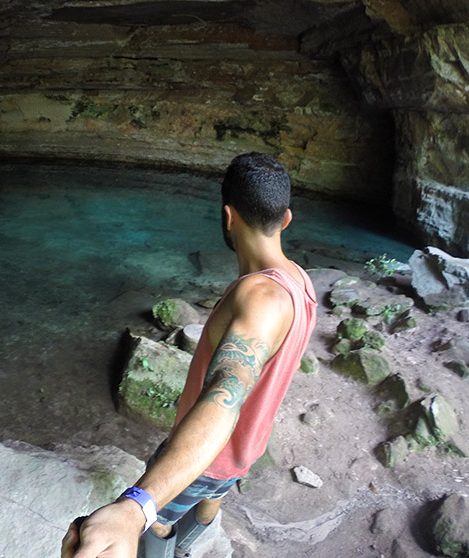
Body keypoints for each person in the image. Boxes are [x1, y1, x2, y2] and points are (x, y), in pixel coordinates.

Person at [61, 152, 318, 558]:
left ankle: (168, 550)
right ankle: (191, 545)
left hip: (206, 455)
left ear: (228, 216)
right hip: (245, 449)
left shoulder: (259, 297)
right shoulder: (300, 280)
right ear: (285, 219)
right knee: (213, 495)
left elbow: (224, 394)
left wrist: (135, 510)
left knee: (158, 523)